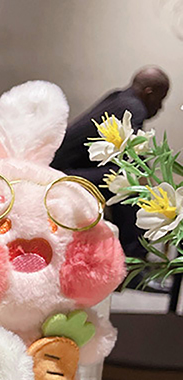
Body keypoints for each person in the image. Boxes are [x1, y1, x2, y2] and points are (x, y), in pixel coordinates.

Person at [52, 67, 170, 258]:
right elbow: (133, 156)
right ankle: (133, 258)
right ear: (149, 93)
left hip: (64, 168)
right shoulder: (134, 107)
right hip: (63, 174)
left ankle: (130, 254)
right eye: (160, 99)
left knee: (123, 178)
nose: (160, 107)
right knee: (129, 183)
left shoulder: (117, 98)